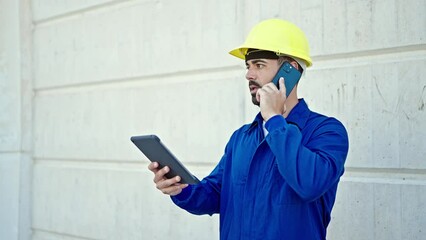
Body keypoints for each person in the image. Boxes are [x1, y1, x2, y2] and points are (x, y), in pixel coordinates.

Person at [148, 19, 349, 240]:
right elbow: (216, 194)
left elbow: (310, 184)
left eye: (259, 65)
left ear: (290, 70)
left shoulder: (326, 132)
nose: (249, 75)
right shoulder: (241, 138)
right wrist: (181, 188)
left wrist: (274, 119)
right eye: (248, 66)